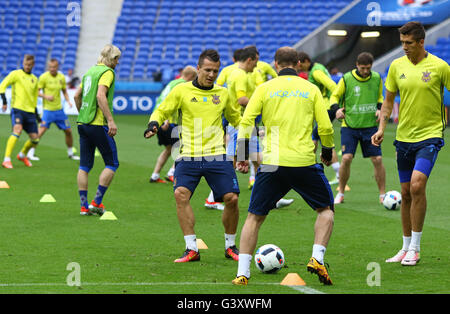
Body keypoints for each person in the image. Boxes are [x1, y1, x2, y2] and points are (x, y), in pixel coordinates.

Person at [232, 47, 335, 286]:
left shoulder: (264, 89)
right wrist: (327, 150)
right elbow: (326, 126)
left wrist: (242, 154)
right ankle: (317, 258)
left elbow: (247, 121)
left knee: (254, 217)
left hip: (272, 163)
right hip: (303, 162)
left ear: (275, 64)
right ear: (299, 64)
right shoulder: (310, 89)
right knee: (325, 211)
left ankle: (243, 273)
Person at [144, 49, 242, 263]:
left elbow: (239, 121)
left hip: (217, 154)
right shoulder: (181, 90)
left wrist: (242, 152)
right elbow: (162, 110)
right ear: (198, 68)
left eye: (215, 71)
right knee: (180, 194)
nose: (211, 74)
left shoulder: (223, 93)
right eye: (207, 70)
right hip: (187, 154)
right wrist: (154, 123)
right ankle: (191, 248)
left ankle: (230, 246)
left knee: (231, 199)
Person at [372, 21, 450, 266]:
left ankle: (415, 247)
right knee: (405, 193)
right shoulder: (396, 66)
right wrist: (382, 127)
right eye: (402, 42)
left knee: (417, 186)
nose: (404, 47)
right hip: (403, 138)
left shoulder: (440, 67)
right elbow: (388, 102)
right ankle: (405, 247)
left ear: (421, 42)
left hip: (430, 135)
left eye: (409, 43)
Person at [331, 52, 386, 204]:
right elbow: (334, 96)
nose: (366, 71)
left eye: (368, 68)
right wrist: (337, 109)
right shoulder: (347, 79)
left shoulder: (376, 78)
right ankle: (341, 192)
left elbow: (380, 97)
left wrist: (379, 108)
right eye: (363, 68)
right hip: (350, 126)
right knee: (347, 158)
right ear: (357, 65)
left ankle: (382, 195)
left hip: (370, 126)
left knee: (378, 159)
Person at [73, 44, 121, 216]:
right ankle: (96, 202)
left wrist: (83, 113)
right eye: (117, 59)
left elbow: (77, 96)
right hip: (98, 123)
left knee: (85, 165)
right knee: (112, 163)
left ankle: (84, 207)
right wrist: (110, 121)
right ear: (113, 58)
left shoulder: (90, 71)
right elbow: (101, 95)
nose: (118, 63)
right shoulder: (107, 73)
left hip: (82, 123)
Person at [297, 52, 341, 185]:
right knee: (317, 138)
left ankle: (310, 169)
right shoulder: (317, 68)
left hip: (327, 107)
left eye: (299, 64)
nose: (298, 67)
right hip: (324, 107)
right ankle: (314, 169)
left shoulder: (316, 72)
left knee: (316, 137)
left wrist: (335, 104)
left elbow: (333, 86)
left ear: (305, 61)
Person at [149, 65, 197, 183]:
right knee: (184, 148)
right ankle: (172, 173)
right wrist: (166, 119)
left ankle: (155, 175)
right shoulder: (181, 85)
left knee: (169, 149)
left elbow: (162, 100)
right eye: (194, 78)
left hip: (160, 121)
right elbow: (168, 102)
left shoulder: (172, 83)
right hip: (169, 122)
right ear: (190, 76)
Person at [27, 59, 80, 161]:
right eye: (50, 67)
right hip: (47, 110)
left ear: (57, 67)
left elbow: (64, 90)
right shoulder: (43, 77)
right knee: (40, 131)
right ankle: (30, 153)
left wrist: (68, 100)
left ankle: (70, 153)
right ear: (48, 67)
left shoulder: (61, 77)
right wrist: (46, 96)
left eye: (54, 67)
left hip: (59, 110)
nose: (52, 69)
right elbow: (36, 92)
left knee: (68, 131)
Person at [0, 54, 40, 168]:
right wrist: (4, 101)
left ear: (33, 65)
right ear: (23, 63)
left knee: (35, 139)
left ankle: (22, 155)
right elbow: (2, 86)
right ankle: (6, 159)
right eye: (25, 64)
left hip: (30, 112)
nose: (27, 66)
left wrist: (37, 116)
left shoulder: (34, 79)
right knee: (17, 130)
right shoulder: (15, 74)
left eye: (29, 65)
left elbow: (34, 99)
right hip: (17, 109)